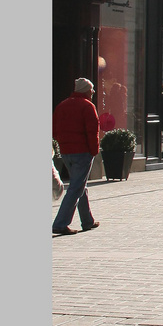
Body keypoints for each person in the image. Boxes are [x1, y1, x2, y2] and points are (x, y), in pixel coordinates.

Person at [52, 78, 101, 236]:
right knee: (75, 188)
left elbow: (54, 130)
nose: (93, 92)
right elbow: (92, 131)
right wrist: (94, 151)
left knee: (80, 184)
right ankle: (60, 223)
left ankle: (88, 221)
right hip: (82, 152)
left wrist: (63, 143)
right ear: (86, 90)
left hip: (66, 151)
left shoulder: (62, 105)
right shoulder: (88, 106)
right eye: (91, 90)